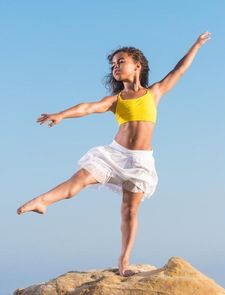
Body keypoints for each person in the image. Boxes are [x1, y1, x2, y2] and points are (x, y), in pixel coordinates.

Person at [17, 32, 211, 276]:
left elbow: (179, 70)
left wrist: (197, 44)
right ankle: (42, 201)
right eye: (113, 64)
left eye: (121, 62)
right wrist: (61, 114)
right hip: (114, 155)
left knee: (129, 211)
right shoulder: (116, 100)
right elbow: (87, 107)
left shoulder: (155, 93)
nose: (116, 67)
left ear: (137, 66)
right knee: (79, 180)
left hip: (140, 162)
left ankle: (124, 263)